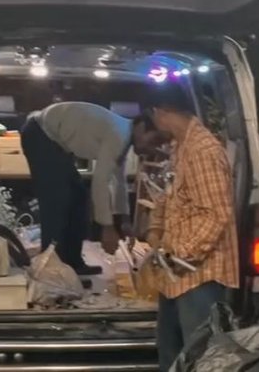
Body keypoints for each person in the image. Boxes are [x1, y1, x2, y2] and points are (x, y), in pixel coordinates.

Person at [144, 83, 240, 371]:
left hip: (200, 275)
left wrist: (179, 256)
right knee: (172, 354)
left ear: (161, 112)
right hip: (176, 275)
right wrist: (155, 231)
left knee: (198, 357)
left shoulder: (203, 150)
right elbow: (169, 194)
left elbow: (216, 214)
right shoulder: (180, 146)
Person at [20, 102, 161, 275]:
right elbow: (100, 182)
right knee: (57, 200)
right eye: (153, 141)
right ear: (141, 128)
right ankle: (52, 272)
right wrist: (107, 229)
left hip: (54, 141)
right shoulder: (119, 134)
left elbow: (119, 181)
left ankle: (72, 263)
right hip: (40, 134)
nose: (152, 148)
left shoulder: (124, 136)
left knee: (79, 197)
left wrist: (124, 220)